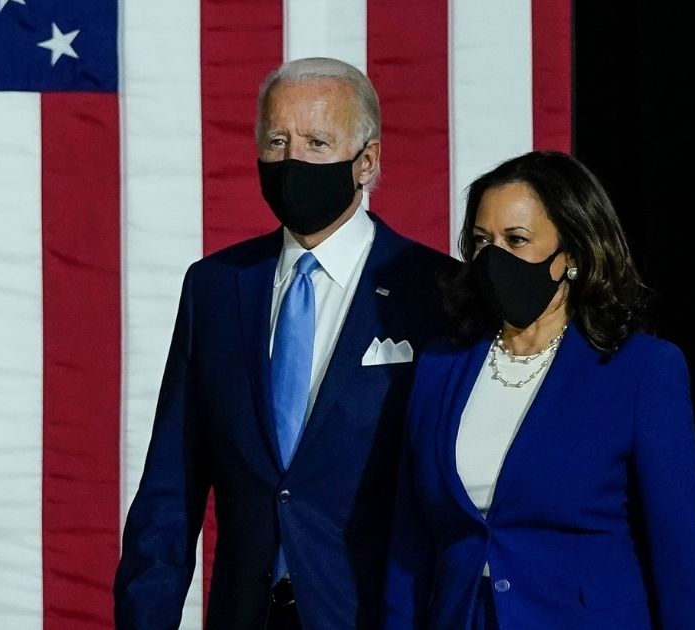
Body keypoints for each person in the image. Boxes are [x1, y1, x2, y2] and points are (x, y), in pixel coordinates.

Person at [114, 57, 458, 630]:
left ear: (366, 161)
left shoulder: (438, 292)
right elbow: (169, 489)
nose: (292, 159)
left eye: (317, 142)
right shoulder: (216, 287)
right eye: (277, 141)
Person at [382, 151, 695, 629]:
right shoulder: (441, 366)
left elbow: (679, 549)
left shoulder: (642, 370)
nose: (493, 258)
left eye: (516, 240)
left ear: (574, 255)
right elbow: (410, 544)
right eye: (482, 242)